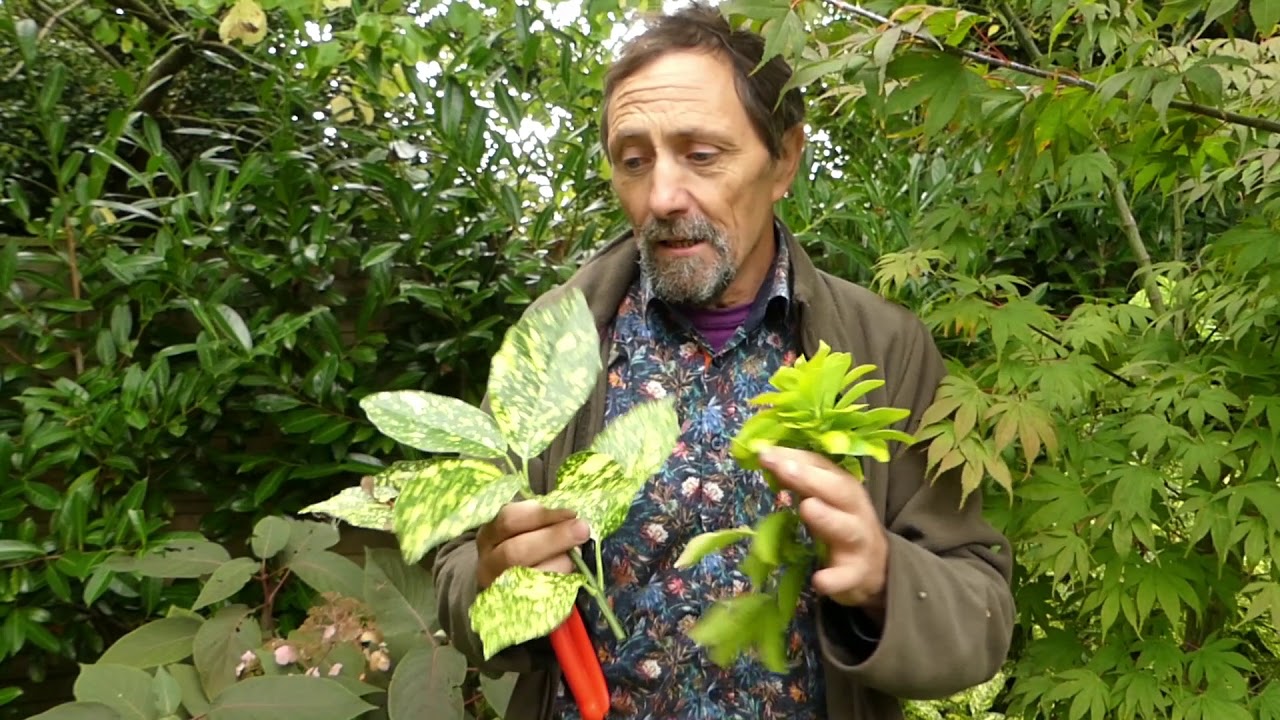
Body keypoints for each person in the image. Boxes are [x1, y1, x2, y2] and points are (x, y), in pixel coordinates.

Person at [432, 3, 1015, 718]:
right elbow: (460, 572)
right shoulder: (556, 339)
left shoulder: (884, 347)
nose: (663, 196)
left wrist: (886, 579)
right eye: (634, 161)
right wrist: (493, 580)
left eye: (702, 155)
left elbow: (980, 613)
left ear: (785, 160)